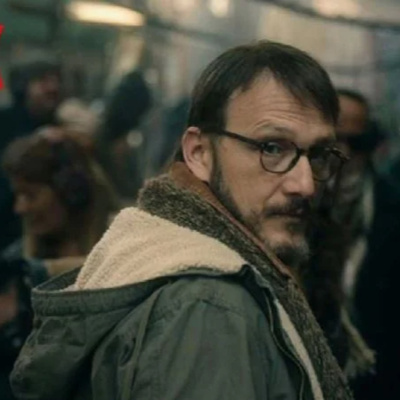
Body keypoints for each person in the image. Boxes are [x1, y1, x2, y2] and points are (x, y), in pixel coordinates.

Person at [11, 41, 352, 400]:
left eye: (318, 154)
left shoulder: (165, 251)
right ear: (199, 153)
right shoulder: (211, 308)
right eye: (272, 148)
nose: (305, 185)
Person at [330, 89, 400, 400]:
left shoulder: (392, 212)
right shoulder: (288, 208)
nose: (344, 154)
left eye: (355, 143)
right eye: (333, 144)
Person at [2, 127, 120, 276]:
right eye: (18, 196)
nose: (20, 208)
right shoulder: (16, 262)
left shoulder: (123, 243)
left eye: (31, 195)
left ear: (71, 192)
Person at [0, 56, 63, 252]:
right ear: (23, 86)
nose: (53, 87)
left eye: (56, 80)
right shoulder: (4, 122)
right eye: (43, 81)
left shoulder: (60, 126)